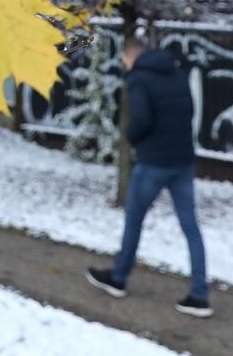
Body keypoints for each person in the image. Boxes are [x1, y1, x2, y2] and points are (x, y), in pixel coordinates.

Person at [86, 35, 211, 317]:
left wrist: (131, 139)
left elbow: (141, 118)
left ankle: (118, 278)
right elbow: (189, 111)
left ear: (130, 56)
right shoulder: (177, 72)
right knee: (190, 226)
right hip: (182, 160)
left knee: (134, 217)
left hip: (154, 162)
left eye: (124, 60)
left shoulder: (139, 78)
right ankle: (199, 295)